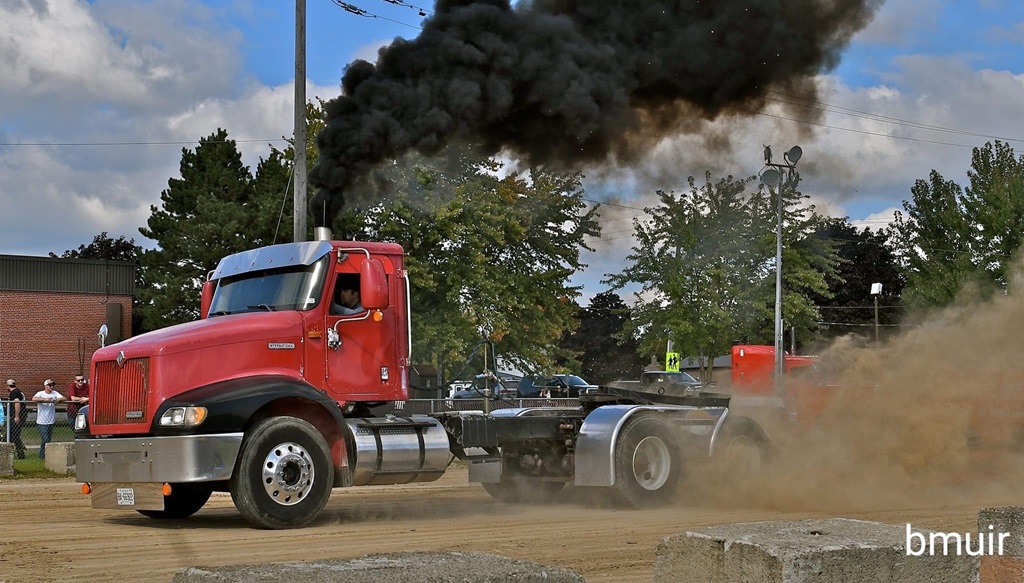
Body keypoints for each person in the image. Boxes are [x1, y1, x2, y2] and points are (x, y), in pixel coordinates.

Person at [32, 379, 64, 460]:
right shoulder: (40, 393)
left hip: (51, 420)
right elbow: (34, 398)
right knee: (45, 439)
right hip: (41, 421)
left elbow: (64, 398)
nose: (51, 387)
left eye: (52, 385)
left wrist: (58, 400)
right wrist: (45, 400)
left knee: (48, 440)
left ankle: (44, 455)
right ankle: (42, 455)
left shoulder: (54, 393)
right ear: (45, 386)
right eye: (50, 385)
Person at [7, 379, 27, 459]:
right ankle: (20, 453)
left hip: (17, 417)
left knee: (13, 435)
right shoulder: (19, 391)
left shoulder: (14, 393)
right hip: (21, 416)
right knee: (15, 435)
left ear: (8, 386)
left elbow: (17, 403)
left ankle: (17, 453)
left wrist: (16, 416)